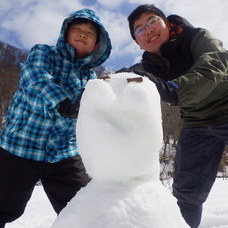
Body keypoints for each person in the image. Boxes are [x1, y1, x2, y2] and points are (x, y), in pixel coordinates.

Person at [0, 8, 111, 228]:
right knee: (4, 208)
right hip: (19, 147)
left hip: (63, 155)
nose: (82, 34)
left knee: (84, 210)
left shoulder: (90, 76)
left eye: (89, 33)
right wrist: (62, 102)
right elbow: (36, 79)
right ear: (65, 34)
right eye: (77, 29)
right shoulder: (44, 53)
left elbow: (93, 110)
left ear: (96, 45)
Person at [122, 4, 228, 228]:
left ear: (167, 23)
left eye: (152, 21)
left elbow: (215, 63)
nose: (148, 29)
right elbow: (118, 81)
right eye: (139, 29)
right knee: (186, 194)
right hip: (196, 122)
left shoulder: (196, 37)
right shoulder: (147, 67)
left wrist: (173, 89)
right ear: (136, 41)